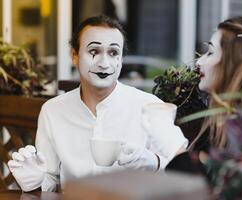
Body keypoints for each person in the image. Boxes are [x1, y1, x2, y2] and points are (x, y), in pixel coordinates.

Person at [7, 15, 188, 192]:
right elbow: (51, 179)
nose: (104, 63)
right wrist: (36, 180)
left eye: (113, 53)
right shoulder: (53, 110)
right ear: (75, 55)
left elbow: (181, 181)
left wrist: (154, 162)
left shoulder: (149, 107)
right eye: (94, 52)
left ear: (121, 60)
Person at [166, 16, 242, 175]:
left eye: (210, 52)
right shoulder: (219, 122)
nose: (198, 62)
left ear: (236, 63)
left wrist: (173, 148)